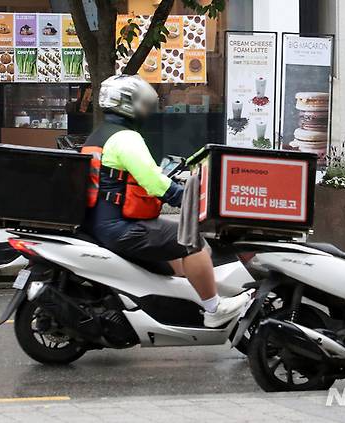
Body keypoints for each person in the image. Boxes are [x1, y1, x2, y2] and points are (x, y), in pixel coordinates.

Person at [81, 75, 253, 328]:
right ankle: (214, 308)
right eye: (145, 104)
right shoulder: (125, 138)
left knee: (169, 235)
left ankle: (183, 299)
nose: (148, 110)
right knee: (191, 239)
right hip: (120, 227)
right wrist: (186, 198)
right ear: (130, 104)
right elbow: (153, 182)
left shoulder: (98, 136)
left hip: (99, 223)